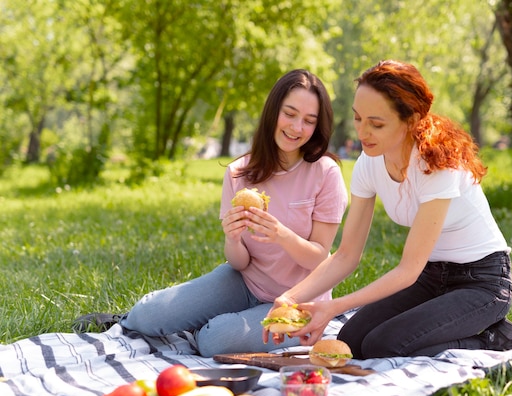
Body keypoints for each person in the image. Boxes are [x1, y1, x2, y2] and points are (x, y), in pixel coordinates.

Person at [73, 69, 348, 357]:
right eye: (289, 114)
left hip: (299, 300)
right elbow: (239, 263)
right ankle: (158, 319)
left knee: (216, 341)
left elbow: (319, 256)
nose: (296, 127)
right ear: (273, 111)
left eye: (308, 121)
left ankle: (207, 328)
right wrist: (232, 239)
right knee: (147, 317)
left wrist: (281, 235)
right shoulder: (240, 172)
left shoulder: (324, 173)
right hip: (245, 282)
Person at [264, 60, 512, 359]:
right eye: (358, 119)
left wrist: (333, 307)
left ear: (411, 121)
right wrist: (290, 297)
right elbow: (347, 254)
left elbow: (408, 270)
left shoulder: (437, 167)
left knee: (385, 346)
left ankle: (497, 338)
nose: (363, 132)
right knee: (351, 341)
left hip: (482, 282)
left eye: (377, 124)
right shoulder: (369, 163)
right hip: (431, 277)